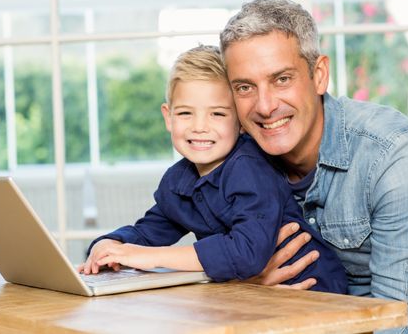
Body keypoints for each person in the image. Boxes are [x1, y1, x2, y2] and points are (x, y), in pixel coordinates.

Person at [219, 0, 408, 333]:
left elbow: (402, 325)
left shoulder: (392, 155)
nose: (265, 106)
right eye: (245, 87)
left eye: (281, 79)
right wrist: (246, 285)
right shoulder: (233, 164)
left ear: (319, 75)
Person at [78, 45, 347, 293]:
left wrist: (144, 256)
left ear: (240, 121)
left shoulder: (249, 168)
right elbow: (148, 232)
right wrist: (110, 245)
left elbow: (246, 252)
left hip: (316, 293)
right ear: (168, 117)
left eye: (217, 114)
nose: (200, 127)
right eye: (185, 113)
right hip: (255, 298)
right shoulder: (178, 181)